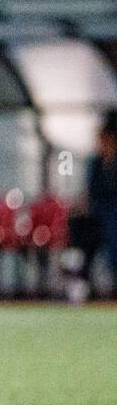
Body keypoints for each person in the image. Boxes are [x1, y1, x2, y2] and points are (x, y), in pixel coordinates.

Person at [84, 112, 117, 298]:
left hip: (113, 213)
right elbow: (92, 191)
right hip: (99, 213)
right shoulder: (95, 163)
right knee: (82, 229)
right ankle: (82, 281)